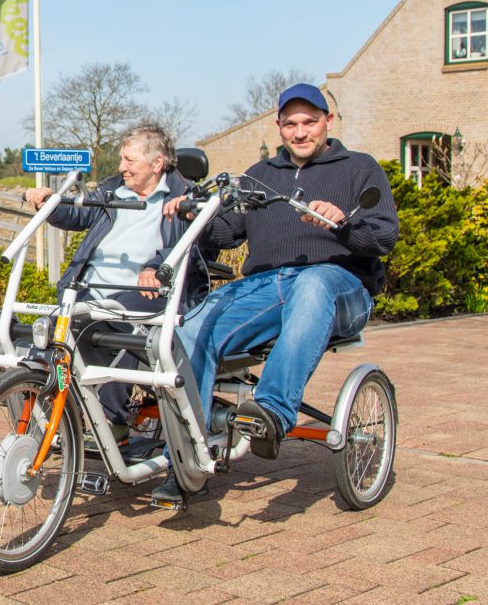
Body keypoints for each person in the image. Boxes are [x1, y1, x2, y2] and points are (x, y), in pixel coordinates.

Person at [151, 84, 398, 503]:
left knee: (313, 283)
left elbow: (385, 237)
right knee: (191, 328)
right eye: (291, 124)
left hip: (340, 284)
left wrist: (345, 225)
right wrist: (196, 214)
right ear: (279, 127)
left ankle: (273, 411)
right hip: (269, 286)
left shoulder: (360, 168)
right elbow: (226, 233)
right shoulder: (260, 175)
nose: (300, 133)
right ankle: (187, 457)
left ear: (328, 123)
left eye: (309, 123)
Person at [24, 124, 207, 437]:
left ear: (157, 163)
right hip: (87, 287)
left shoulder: (183, 197)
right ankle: (40, 402)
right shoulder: (112, 190)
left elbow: (182, 244)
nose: (122, 166)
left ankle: (112, 419)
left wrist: (155, 267)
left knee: (106, 324)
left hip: (145, 290)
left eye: (129, 160)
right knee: (40, 334)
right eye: (122, 159)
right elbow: (77, 215)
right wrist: (51, 202)